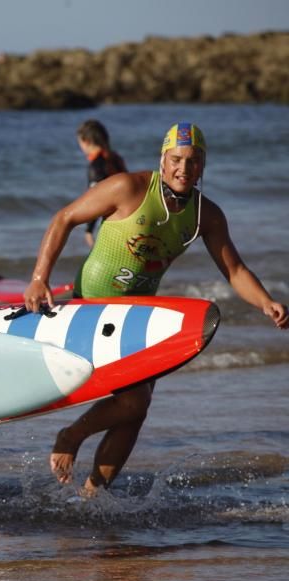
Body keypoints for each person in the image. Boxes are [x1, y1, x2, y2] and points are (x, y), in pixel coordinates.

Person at [24, 123, 288, 495]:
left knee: (136, 410)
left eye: (193, 162)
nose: (184, 168)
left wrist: (266, 302)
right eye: (176, 159)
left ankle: (91, 498)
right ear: (162, 161)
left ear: (203, 167)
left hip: (140, 313)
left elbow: (235, 270)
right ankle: (71, 435)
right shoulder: (128, 187)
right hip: (94, 306)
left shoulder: (204, 215)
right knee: (134, 401)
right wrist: (39, 277)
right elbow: (64, 218)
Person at [75, 120, 127, 247]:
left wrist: (89, 230)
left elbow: (95, 200)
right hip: (128, 216)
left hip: (114, 223)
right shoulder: (115, 158)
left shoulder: (96, 165)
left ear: (85, 141)